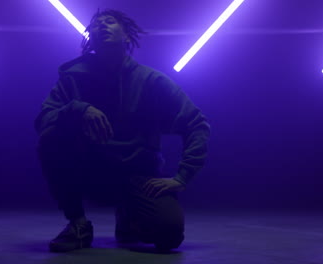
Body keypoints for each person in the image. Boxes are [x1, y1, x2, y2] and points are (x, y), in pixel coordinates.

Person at [35, 9, 210, 253]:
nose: (102, 26)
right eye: (96, 24)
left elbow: (196, 123)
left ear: (127, 36)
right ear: (89, 38)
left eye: (110, 22)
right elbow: (43, 119)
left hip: (135, 176)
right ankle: (78, 224)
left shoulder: (150, 80)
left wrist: (182, 177)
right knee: (51, 137)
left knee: (169, 234)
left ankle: (129, 216)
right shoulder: (72, 78)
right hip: (89, 171)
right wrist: (79, 109)